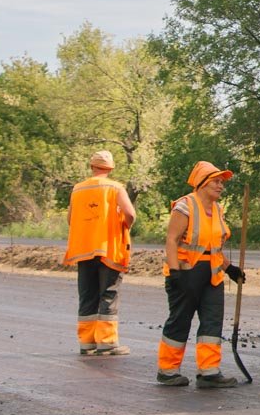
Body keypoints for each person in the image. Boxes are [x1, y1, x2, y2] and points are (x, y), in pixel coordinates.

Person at [156, 161, 245, 388]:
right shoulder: (185, 206)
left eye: (222, 182)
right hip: (186, 272)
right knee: (180, 319)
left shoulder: (217, 209)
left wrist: (230, 269)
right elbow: (172, 240)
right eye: (216, 181)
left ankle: (209, 372)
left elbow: (213, 247)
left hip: (213, 274)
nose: (220, 186)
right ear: (203, 183)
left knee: (212, 321)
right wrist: (175, 271)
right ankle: (167, 370)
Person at [64, 150, 136, 356]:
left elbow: (71, 219)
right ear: (111, 168)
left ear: (92, 167)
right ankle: (107, 341)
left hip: (84, 249)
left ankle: (86, 342)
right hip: (109, 248)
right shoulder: (115, 188)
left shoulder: (77, 190)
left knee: (87, 294)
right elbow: (130, 213)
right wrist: (123, 227)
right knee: (109, 293)